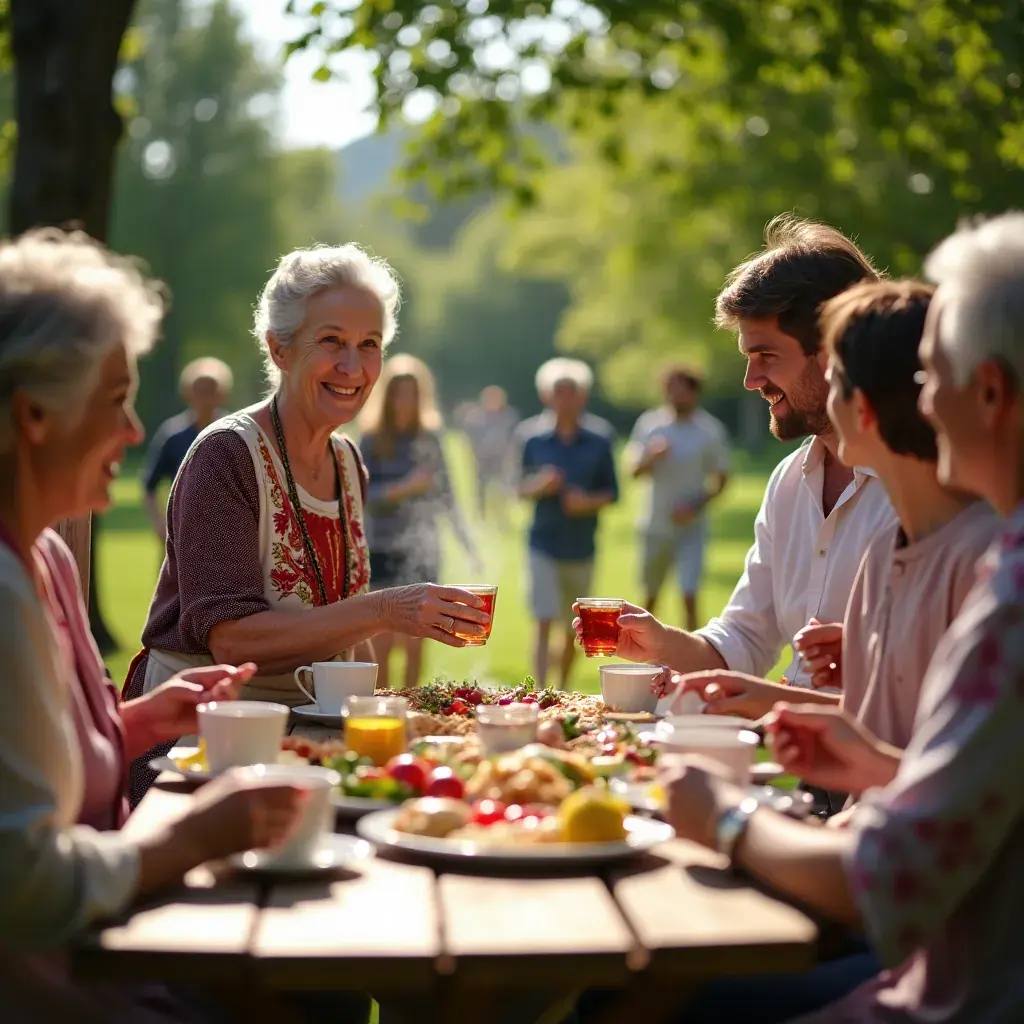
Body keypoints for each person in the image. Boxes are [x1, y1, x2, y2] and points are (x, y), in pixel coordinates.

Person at [656, 211, 1024, 1024]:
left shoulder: (999, 576)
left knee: (665, 991)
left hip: (950, 988)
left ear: (989, 391)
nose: (917, 402)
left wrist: (726, 816)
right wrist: (869, 761)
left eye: (929, 378)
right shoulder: (901, 543)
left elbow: (894, 878)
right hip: (922, 947)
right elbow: (960, 789)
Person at [0, 228, 312, 1023]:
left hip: (102, 949)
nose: (138, 433)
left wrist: (141, 720)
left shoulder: (47, 558)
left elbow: (34, 763)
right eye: (115, 402)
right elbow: (24, 889)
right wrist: (191, 837)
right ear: (35, 414)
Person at [124, 245, 490, 804]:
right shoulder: (225, 457)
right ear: (280, 348)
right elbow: (234, 640)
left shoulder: (348, 464)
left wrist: (387, 718)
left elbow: (347, 626)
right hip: (200, 750)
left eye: (370, 345)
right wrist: (386, 609)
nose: (353, 367)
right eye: (332, 341)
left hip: (307, 744)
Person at [667, 280, 998, 759]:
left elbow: (951, 780)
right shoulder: (890, 550)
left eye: (836, 375)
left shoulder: (981, 549)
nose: (751, 380)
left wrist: (735, 822)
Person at [573, 215, 895, 688]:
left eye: (767, 356)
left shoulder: (925, 481)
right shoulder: (790, 481)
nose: (751, 381)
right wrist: (662, 643)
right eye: (748, 358)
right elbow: (744, 638)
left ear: (835, 351)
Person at [358, 354, 479, 690]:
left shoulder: (431, 439)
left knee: (417, 639)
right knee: (381, 640)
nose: (405, 401)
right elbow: (359, 495)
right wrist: (404, 488)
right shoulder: (370, 440)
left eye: (412, 394)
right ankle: (380, 706)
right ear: (387, 396)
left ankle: (410, 706)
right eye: (399, 393)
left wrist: (469, 545)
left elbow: (448, 496)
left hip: (424, 553)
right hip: (380, 550)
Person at [517, 357, 618, 690]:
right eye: (557, 392)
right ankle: (541, 690)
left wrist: (585, 503)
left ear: (583, 396)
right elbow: (518, 488)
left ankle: (561, 687)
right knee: (543, 618)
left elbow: (613, 492)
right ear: (546, 395)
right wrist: (539, 486)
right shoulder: (531, 438)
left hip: (581, 546)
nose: (564, 399)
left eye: (571, 392)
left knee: (573, 625)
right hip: (542, 543)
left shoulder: (600, 439)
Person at [627, 364, 730, 628]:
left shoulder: (709, 430)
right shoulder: (650, 424)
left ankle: (691, 658)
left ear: (694, 394)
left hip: (691, 528)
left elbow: (721, 479)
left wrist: (695, 506)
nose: (676, 397)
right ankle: (641, 660)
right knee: (649, 597)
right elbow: (633, 471)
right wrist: (652, 456)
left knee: (689, 594)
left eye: (681, 391)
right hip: (655, 525)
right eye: (671, 391)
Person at [141, 356, 233, 542]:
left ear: (222, 393)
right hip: (181, 534)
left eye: (211, 390)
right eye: (200, 390)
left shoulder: (235, 433)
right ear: (188, 393)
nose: (205, 397)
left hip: (225, 536)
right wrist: (160, 526)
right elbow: (149, 485)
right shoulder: (172, 435)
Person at [458, 384, 521, 527]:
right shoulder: (476, 418)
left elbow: (513, 439)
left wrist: (511, 457)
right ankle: (480, 518)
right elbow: (468, 440)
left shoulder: (508, 417)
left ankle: (502, 517)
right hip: (482, 459)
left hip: (501, 459)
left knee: (502, 488)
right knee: (480, 489)